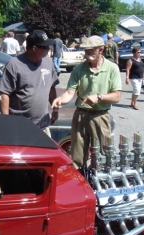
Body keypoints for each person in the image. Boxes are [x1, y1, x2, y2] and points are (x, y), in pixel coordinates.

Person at [51, 35, 122, 169]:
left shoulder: (112, 68)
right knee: (77, 156)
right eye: (85, 50)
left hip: (100, 116)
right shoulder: (79, 69)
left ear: (100, 50)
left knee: (104, 154)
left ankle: (102, 181)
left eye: (90, 50)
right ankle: (81, 182)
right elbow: (69, 93)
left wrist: (99, 97)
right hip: (81, 115)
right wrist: (61, 100)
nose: (87, 53)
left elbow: (117, 96)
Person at [0, 30, 59, 136]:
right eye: (45, 47)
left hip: (42, 125)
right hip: (19, 127)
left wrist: (55, 110)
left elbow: (52, 87)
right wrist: (6, 122)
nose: (48, 50)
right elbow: (4, 95)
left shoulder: (48, 62)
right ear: (35, 48)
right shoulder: (14, 64)